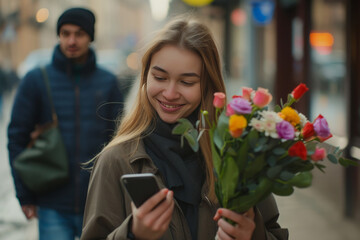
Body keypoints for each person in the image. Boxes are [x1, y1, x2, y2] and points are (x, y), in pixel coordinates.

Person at [81, 16, 288, 240]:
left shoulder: (238, 156)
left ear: (208, 85)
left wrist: (253, 234)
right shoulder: (116, 159)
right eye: (160, 77)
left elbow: (274, 233)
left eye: (187, 82)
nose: (170, 93)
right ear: (145, 77)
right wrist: (133, 234)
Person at [7, 7, 123, 240]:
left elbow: (120, 142)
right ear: (58, 35)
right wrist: (25, 196)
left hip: (98, 202)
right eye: (65, 33)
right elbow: (16, 138)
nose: (71, 40)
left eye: (79, 34)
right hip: (52, 203)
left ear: (90, 37)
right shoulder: (36, 80)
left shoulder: (108, 82)